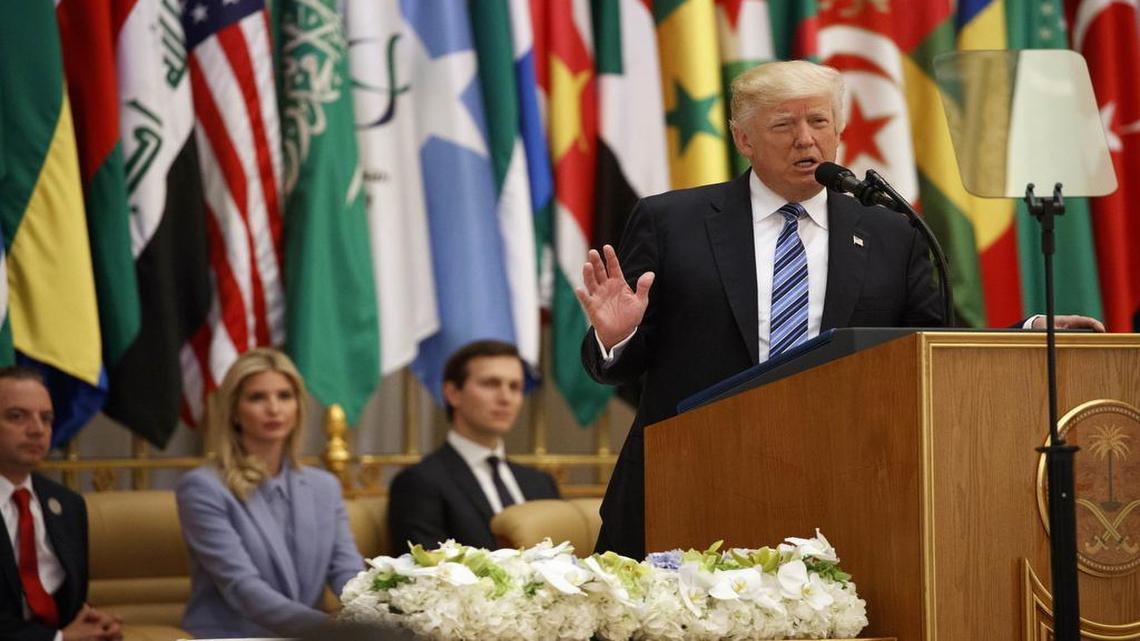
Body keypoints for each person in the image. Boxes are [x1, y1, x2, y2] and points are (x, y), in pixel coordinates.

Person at [575, 60, 1105, 560]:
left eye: (819, 121)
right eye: (783, 124)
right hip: (688, 480)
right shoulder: (672, 221)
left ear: (839, 129)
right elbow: (620, 369)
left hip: (837, 487)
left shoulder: (890, 232)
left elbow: (929, 347)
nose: (806, 139)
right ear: (744, 140)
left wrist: (1029, 331)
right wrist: (615, 337)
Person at [176, 348, 363, 638]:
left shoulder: (324, 486)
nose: (274, 409)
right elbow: (241, 586)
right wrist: (326, 628)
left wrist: (375, 616)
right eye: (257, 397)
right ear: (234, 410)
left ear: (298, 407)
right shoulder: (203, 487)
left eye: (284, 396)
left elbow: (347, 571)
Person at [388, 340, 560, 553]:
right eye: (490, 384)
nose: (505, 398)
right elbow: (425, 573)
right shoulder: (419, 483)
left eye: (515, 387)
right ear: (453, 393)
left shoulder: (540, 483)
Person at [0, 366, 122, 641]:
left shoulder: (67, 504)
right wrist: (60, 639)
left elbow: (67, 602)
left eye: (47, 418)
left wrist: (91, 622)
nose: (37, 430)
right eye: (17, 417)